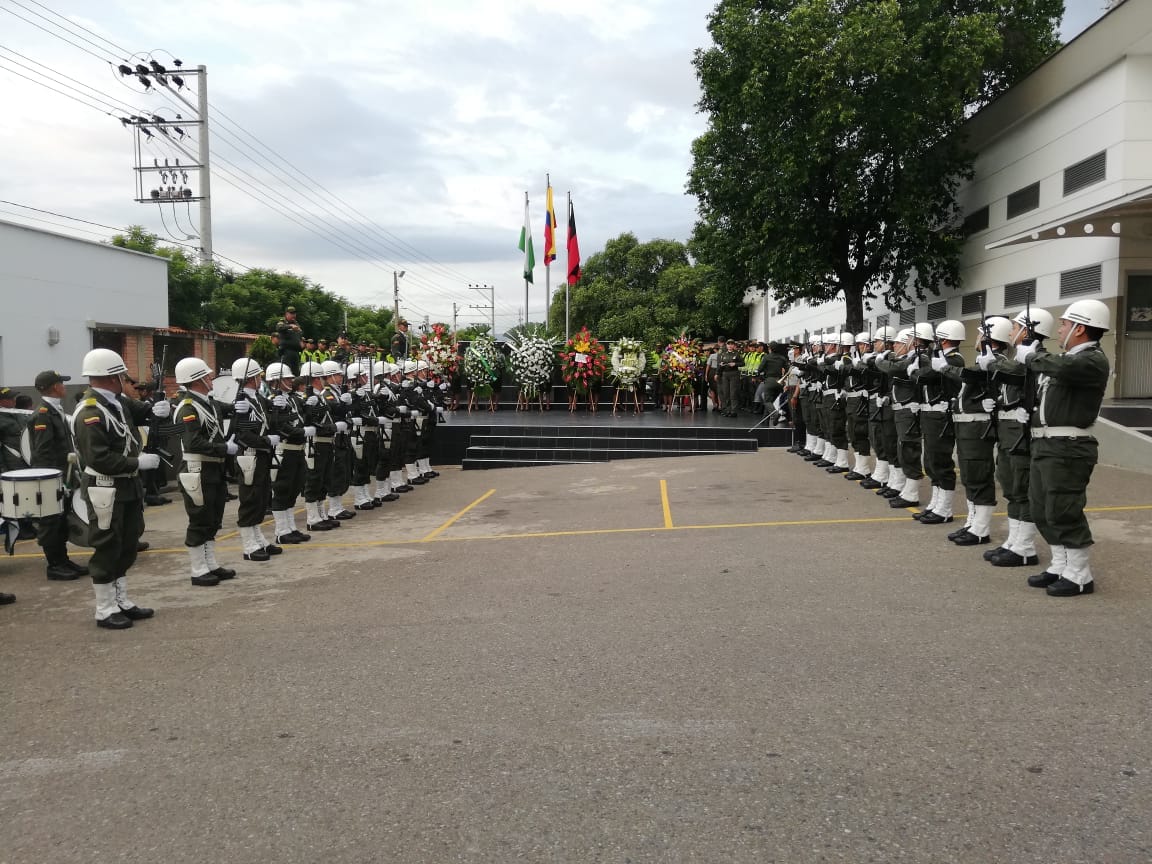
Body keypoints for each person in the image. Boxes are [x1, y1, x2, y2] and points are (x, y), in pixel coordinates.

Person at [1018, 299, 1111, 597]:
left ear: (1080, 328)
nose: (1060, 329)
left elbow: (1058, 366)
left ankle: (1080, 574)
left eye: (1065, 324)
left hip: (1069, 447)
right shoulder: (1065, 360)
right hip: (1047, 444)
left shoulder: (1092, 360)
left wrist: (1033, 355)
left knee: (1064, 508)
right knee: (1042, 508)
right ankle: (1060, 565)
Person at [71, 348, 162, 629]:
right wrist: (137, 462)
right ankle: (104, 608)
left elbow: (144, 412)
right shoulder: (90, 411)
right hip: (105, 487)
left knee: (128, 542)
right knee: (108, 545)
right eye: (122, 375)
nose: (126, 380)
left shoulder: (116, 402)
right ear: (113, 377)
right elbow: (98, 458)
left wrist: (160, 406)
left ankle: (120, 599)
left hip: (126, 485)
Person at [982, 308, 1056, 568]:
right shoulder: (1021, 357)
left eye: (1016, 327)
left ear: (1028, 330)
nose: (1011, 332)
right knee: (1011, 486)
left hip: (1021, 434)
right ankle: (1014, 541)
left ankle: (1025, 547)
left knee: (1022, 488)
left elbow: (1016, 372)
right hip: (1008, 432)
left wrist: (991, 361)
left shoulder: (1036, 358)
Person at [173, 357, 238, 586]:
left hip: (212, 468)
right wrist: (223, 448)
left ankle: (210, 563)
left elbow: (225, 410)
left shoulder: (207, 402)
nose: (211, 378)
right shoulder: (188, 408)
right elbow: (193, 442)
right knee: (199, 519)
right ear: (197, 379)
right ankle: (198, 568)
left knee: (213, 519)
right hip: (197, 468)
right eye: (207, 375)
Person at [26, 370, 89, 580]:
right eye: (62, 383)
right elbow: (43, 454)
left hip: (63, 476)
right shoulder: (43, 414)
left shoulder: (55, 411)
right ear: (54, 386)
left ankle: (63, 560)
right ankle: (54, 565)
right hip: (51, 478)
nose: (64, 386)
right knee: (50, 523)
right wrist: (54, 481)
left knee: (61, 520)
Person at [912, 320, 966, 525]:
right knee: (931, 462)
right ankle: (935, 504)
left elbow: (929, 376)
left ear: (943, 339)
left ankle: (945, 509)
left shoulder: (954, 360)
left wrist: (915, 371)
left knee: (941, 462)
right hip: (931, 415)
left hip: (941, 416)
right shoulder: (942, 358)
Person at [230, 358, 282, 562]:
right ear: (251, 377)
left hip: (260, 455)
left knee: (261, 498)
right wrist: (266, 440)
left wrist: (280, 404)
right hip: (249, 455)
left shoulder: (257, 399)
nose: (260, 379)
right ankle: (249, 545)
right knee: (250, 499)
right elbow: (241, 433)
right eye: (258, 375)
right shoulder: (241, 402)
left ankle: (258, 538)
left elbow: (272, 413)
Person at [264, 362, 312, 544]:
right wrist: (301, 432)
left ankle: (291, 527)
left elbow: (303, 416)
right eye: (287, 378)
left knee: (294, 488)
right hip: (283, 450)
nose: (291, 380)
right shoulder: (271, 400)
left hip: (298, 450)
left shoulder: (292, 398)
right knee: (282, 489)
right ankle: (281, 530)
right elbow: (277, 425)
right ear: (276, 381)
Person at [715, 338, 742, 417]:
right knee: (726, 393)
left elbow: (743, 363)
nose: (730, 345)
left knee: (733, 393)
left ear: (734, 345)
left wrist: (735, 364)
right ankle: (727, 410)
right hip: (725, 374)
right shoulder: (723, 354)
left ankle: (734, 411)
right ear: (726, 345)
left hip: (734, 373)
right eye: (728, 344)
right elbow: (720, 365)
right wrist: (717, 373)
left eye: (731, 344)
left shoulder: (737, 353)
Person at [275, 306, 304, 374]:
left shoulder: (297, 323)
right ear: (286, 314)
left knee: (296, 373)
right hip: (286, 352)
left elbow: (299, 334)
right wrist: (290, 326)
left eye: (294, 313)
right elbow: (279, 328)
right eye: (291, 313)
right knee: (287, 372)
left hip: (296, 353)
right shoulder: (282, 321)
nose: (293, 315)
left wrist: (300, 342)